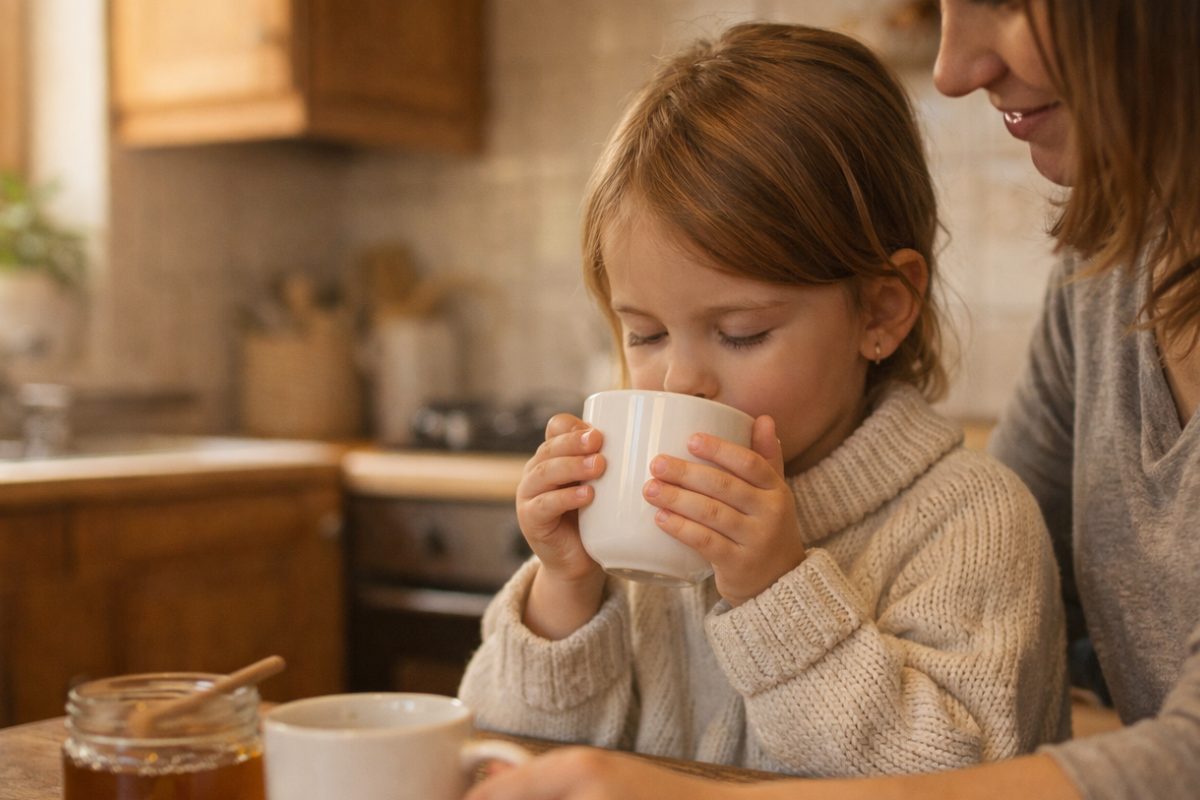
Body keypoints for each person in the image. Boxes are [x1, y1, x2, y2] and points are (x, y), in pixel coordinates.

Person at [462, 1, 1200, 798]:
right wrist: (563, 593)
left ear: (881, 312)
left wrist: (777, 594)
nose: (680, 382)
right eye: (643, 334)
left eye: (741, 333)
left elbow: (960, 772)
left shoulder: (968, 524)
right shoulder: (635, 545)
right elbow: (504, 750)